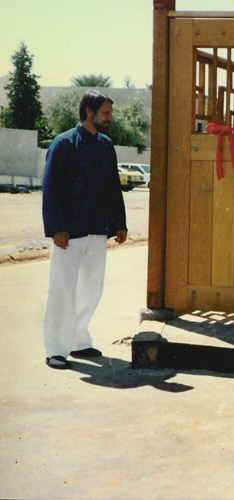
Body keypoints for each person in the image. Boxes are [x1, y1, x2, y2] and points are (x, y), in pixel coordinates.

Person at [42, 90, 127, 369]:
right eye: (106, 113)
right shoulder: (63, 143)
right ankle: (56, 349)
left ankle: (79, 341)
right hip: (69, 232)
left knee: (92, 288)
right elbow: (51, 189)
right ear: (89, 112)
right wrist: (57, 228)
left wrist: (119, 224)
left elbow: (114, 188)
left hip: (97, 229)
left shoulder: (106, 145)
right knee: (63, 290)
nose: (110, 119)